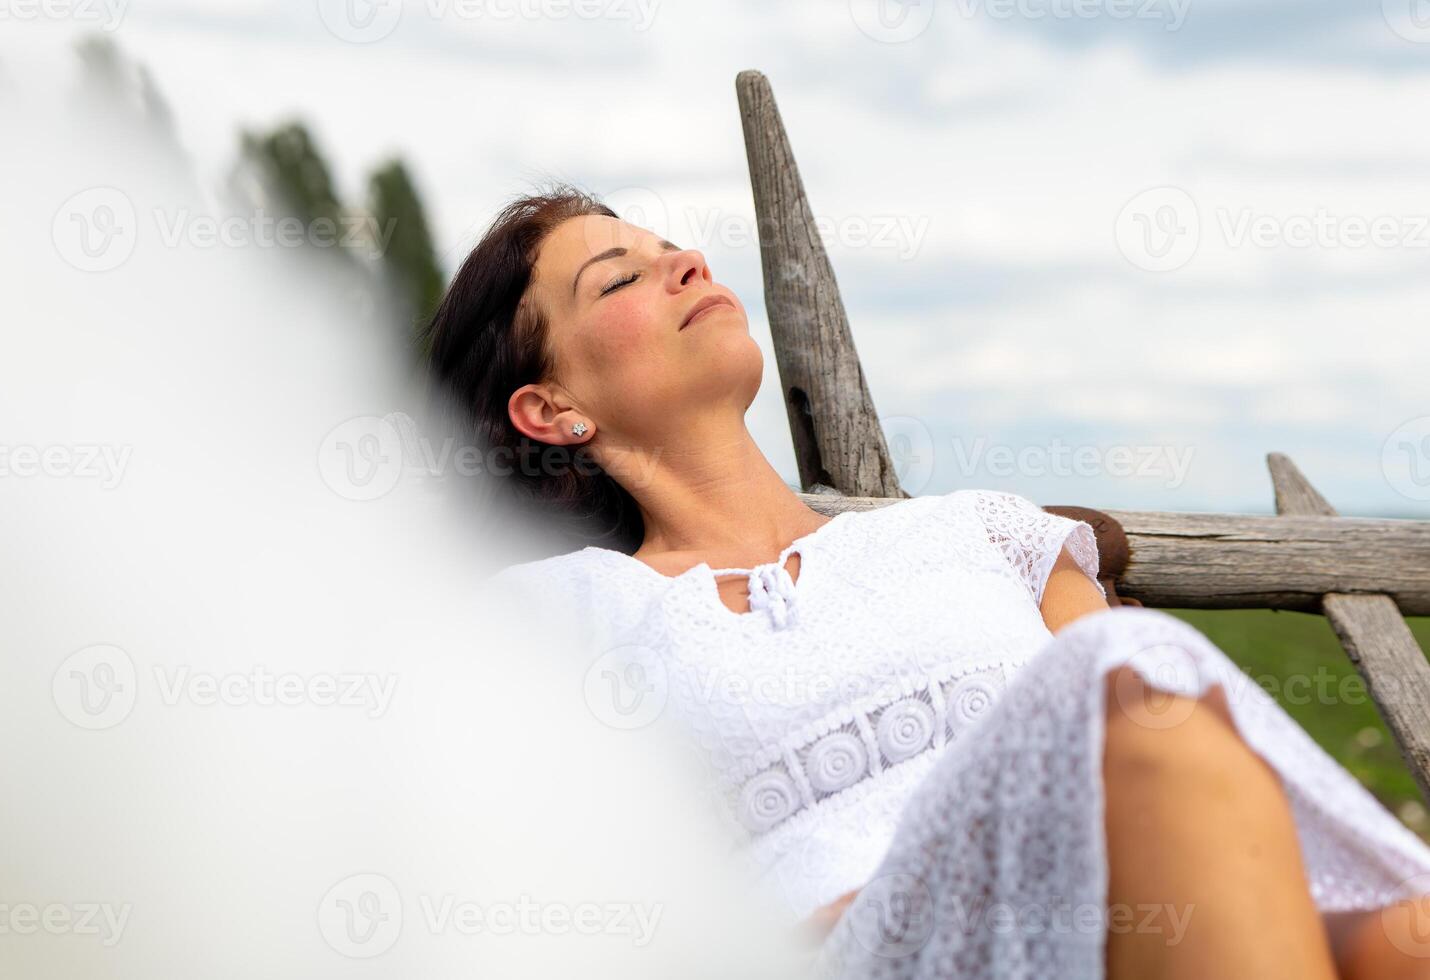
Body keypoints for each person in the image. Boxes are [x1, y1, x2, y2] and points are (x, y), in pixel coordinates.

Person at [425, 185, 1430, 978]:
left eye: (669, 247)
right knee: (1127, 664)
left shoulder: (976, 533)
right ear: (551, 408)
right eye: (619, 278)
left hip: (1124, 915)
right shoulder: (560, 618)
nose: (686, 260)